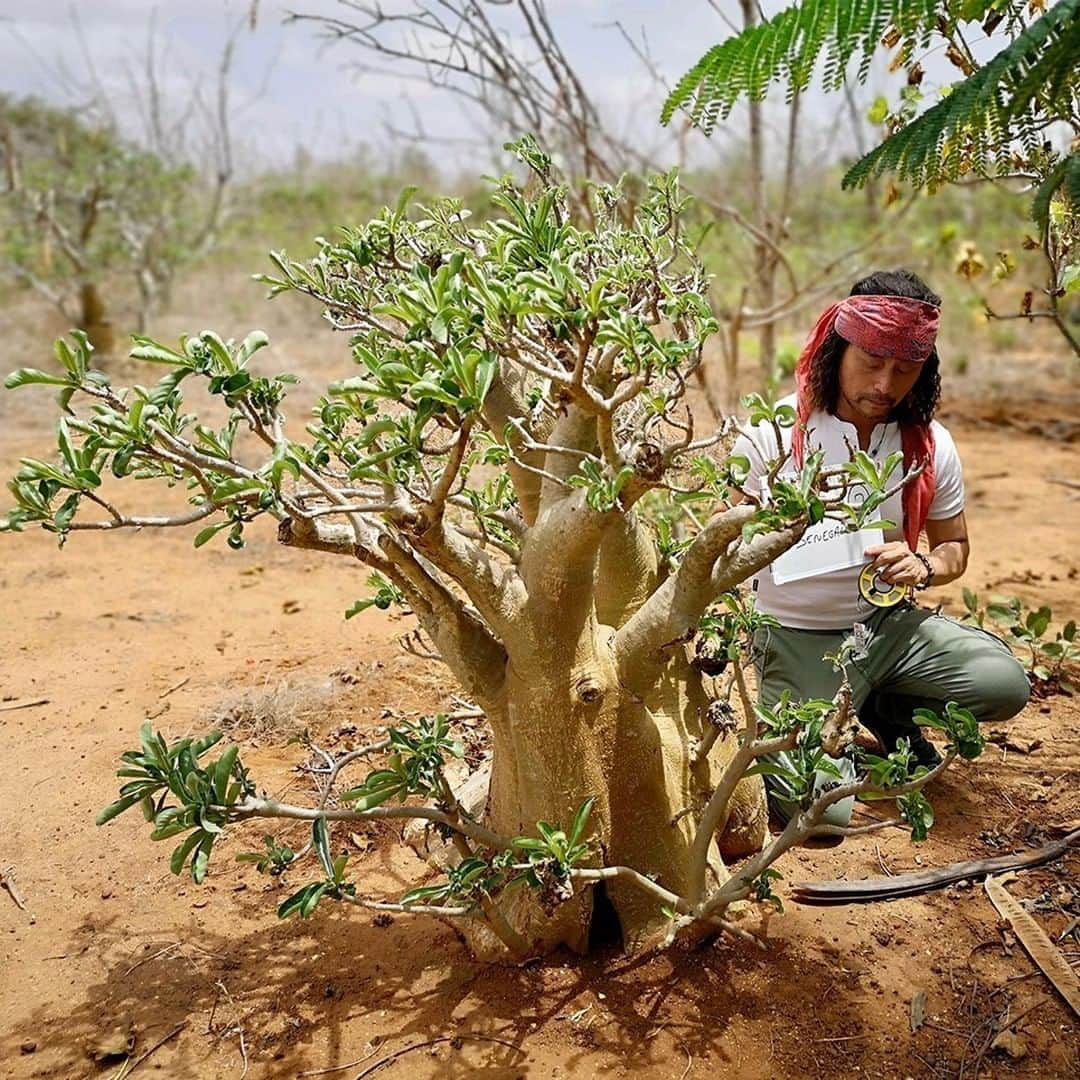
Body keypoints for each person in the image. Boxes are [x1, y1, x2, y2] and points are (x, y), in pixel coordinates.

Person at [731, 269, 1030, 826]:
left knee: (1002, 684)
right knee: (820, 816)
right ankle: (830, 721)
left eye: (906, 368)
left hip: (884, 629)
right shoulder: (770, 437)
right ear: (835, 350)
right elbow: (722, 550)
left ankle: (881, 704)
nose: (886, 384)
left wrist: (924, 565)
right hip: (797, 637)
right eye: (871, 361)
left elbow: (955, 546)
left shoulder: (929, 445)